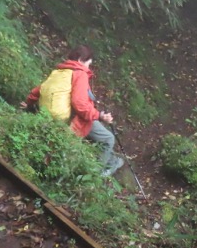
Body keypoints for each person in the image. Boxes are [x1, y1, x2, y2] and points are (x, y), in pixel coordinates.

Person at [24, 45, 124, 176]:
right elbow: (80, 104)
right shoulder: (80, 73)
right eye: (89, 63)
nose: (89, 67)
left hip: (52, 116)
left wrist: (28, 103)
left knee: (99, 137)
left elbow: (39, 89)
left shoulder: (59, 71)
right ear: (81, 60)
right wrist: (99, 116)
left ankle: (111, 160)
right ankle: (95, 174)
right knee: (108, 138)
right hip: (72, 118)